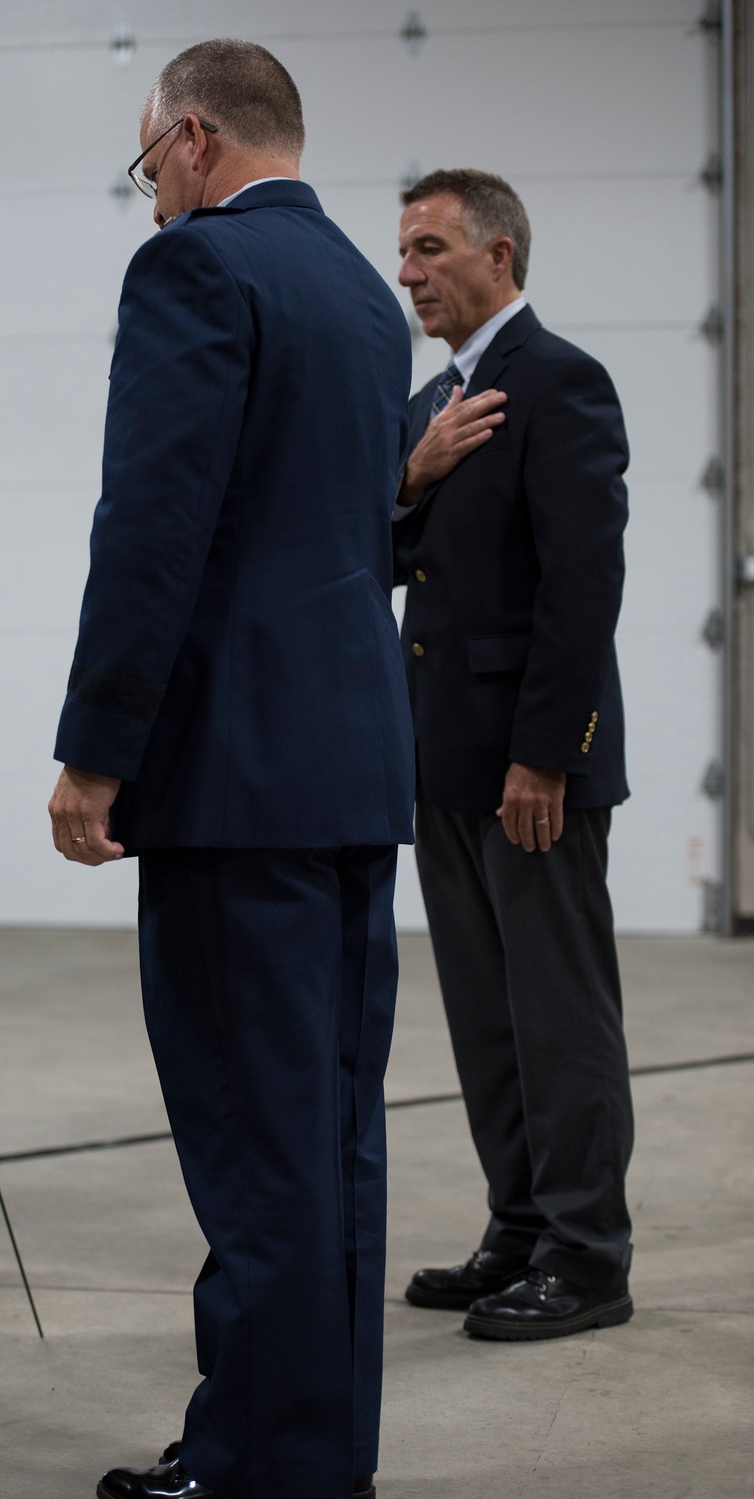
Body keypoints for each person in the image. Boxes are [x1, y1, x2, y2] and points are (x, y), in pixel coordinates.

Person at [48, 40, 415, 1499]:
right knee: (329, 1130)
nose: (151, 202)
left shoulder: (197, 272)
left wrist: (95, 751)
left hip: (233, 780)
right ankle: (317, 1454)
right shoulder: (361, 293)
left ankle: (259, 1464)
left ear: (194, 138)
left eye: (148, 169)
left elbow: (156, 527)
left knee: (255, 1141)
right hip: (347, 772)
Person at [393, 168, 635, 1341]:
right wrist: (412, 470)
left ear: (499, 255)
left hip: (530, 766)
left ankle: (587, 1254)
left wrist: (546, 753)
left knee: (556, 1011)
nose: (408, 273)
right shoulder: (437, 401)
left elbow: (583, 587)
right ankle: (519, 1223)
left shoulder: (558, 380)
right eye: (405, 252)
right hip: (443, 758)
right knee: (485, 1014)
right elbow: (388, 554)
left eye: (431, 248)